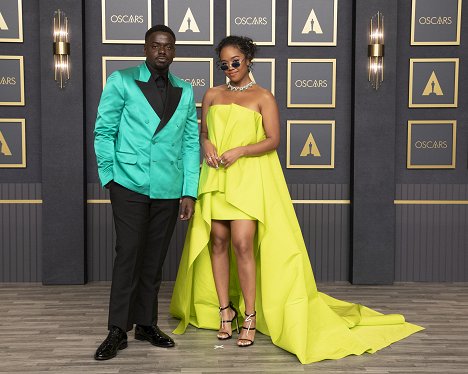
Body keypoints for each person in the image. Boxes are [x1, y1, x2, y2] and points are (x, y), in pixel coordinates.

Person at [170, 35, 423, 363]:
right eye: (224, 63)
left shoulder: (263, 96)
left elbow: (274, 140)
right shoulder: (212, 94)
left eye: (236, 61)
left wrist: (241, 150)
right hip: (217, 177)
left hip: (247, 177)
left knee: (243, 243)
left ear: (248, 60)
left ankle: (250, 315)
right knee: (217, 240)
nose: (230, 68)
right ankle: (225, 312)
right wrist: (206, 144)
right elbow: (203, 133)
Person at [93, 25, 199, 361]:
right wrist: (110, 176)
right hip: (129, 182)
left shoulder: (185, 89)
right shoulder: (121, 80)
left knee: (154, 258)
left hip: (168, 186)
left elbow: (190, 142)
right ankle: (117, 329)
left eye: (168, 47)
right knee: (129, 253)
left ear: (174, 51)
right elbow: (104, 130)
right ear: (145, 49)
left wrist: (189, 191)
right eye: (156, 46)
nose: (162, 52)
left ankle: (146, 324)